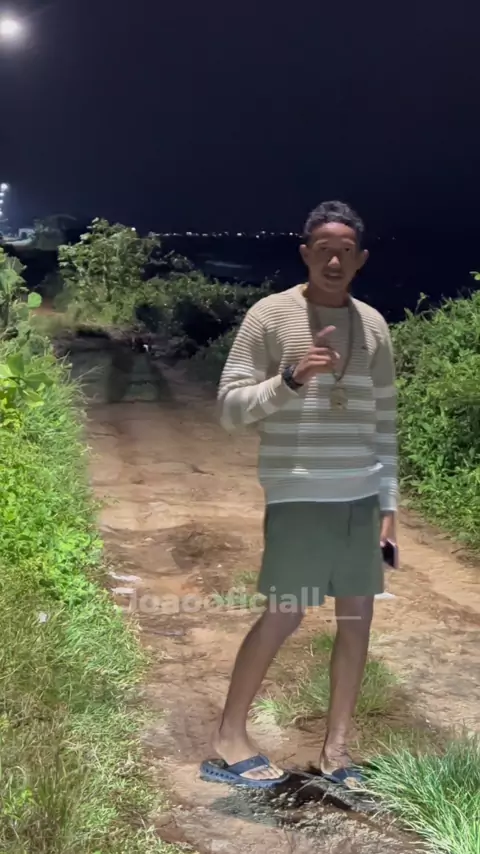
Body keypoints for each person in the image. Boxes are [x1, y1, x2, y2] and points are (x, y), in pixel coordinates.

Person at [200, 201, 397, 790]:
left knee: (357, 621)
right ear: (306, 253)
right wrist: (289, 380)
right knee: (285, 615)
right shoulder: (271, 315)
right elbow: (229, 409)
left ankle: (337, 752)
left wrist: (389, 507)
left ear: (361, 259)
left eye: (346, 251)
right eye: (324, 249)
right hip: (299, 491)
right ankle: (229, 736)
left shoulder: (374, 325)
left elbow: (384, 422)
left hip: (361, 498)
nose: (334, 260)